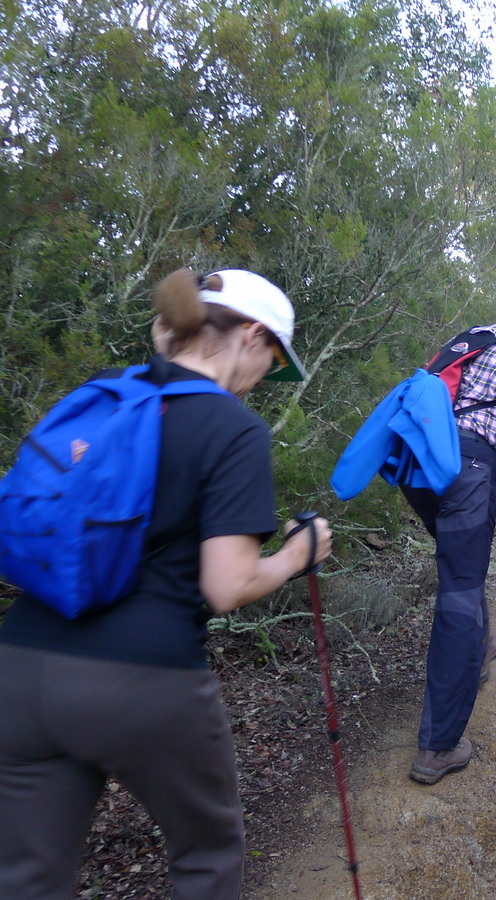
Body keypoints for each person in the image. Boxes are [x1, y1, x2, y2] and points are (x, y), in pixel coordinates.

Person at [0, 267, 333, 899]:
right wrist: (297, 554)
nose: (265, 377)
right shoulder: (233, 430)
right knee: (207, 851)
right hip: (142, 683)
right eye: (271, 359)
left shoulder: (99, 398)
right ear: (252, 336)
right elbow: (227, 586)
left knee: (26, 878)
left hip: (20, 669)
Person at [400, 284, 496, 785]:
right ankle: (438, 747)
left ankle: (483, 643)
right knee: (459, 592)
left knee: (461, 567)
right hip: (466, 464)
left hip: (418, 464)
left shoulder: (465, 339)